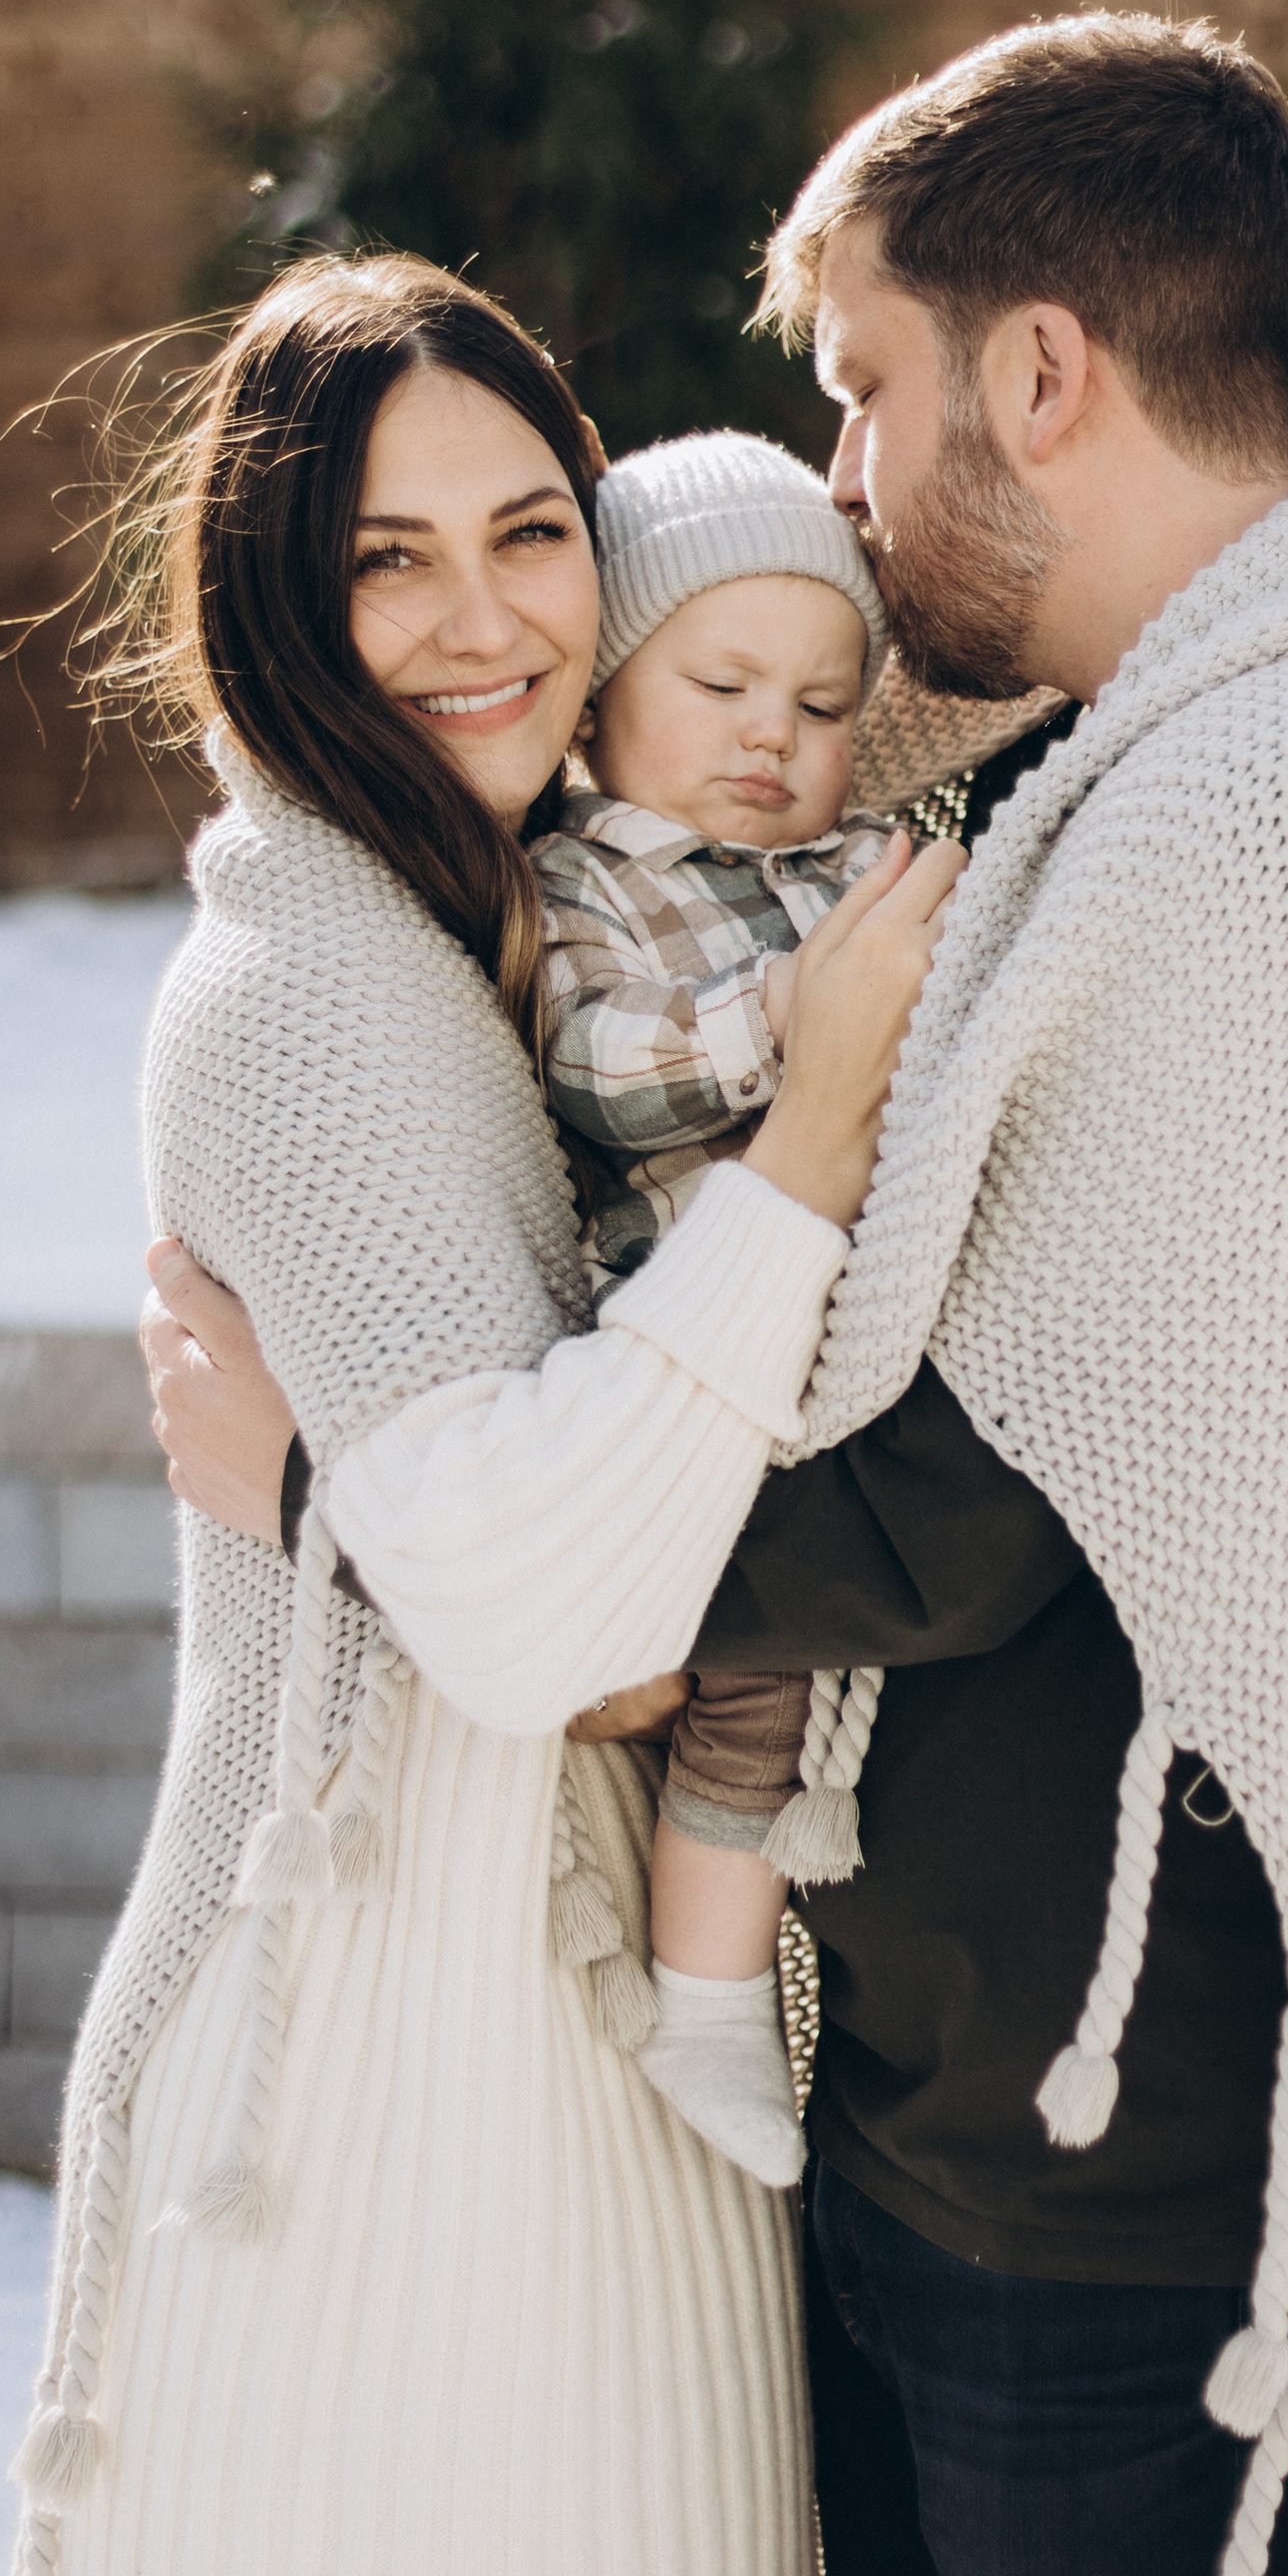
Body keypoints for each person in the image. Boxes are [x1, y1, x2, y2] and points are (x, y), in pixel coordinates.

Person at [150, 14, 1288, 2576]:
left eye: (859, 391)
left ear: (1039, 374)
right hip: (979, 2106)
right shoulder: (1172, 750)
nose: (833, 497)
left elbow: (971, 1487)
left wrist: (391, 1523)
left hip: (1152, 2202)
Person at [0, 253, 965, 2576]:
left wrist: (362, 1503)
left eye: (530, 531)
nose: (480, 616)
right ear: (266, 605)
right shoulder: (319, 998)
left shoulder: (532, 933)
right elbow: (560, 1617)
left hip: (563, 2134)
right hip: (384, 2172)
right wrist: (809, 1131)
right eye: (382, 556)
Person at [536, 427, 902, 2193]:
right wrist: (793, 1029)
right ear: (604, 698)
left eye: (825, 706)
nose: (777, 734)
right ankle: (707, 1997)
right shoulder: (585, 881)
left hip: (871, 1370)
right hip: (699, 1369)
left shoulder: (860, 871)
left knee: (834, 1676)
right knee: (751, 1682)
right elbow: (599, 1073)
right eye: (724, 683)